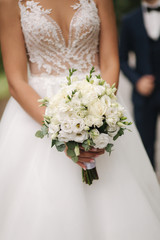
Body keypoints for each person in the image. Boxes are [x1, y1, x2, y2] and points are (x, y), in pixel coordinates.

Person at [0, 0, 160, 239]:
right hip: (38, 112)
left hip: (100, 102)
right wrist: (64, 130)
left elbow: (110, 62)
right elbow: (16, 81)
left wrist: (99, 118)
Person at [119, 0, 160, 170]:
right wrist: (137, 81)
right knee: (145, 145)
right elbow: (121, 59)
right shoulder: (129, 20)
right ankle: (152, 190)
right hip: (144, 94)